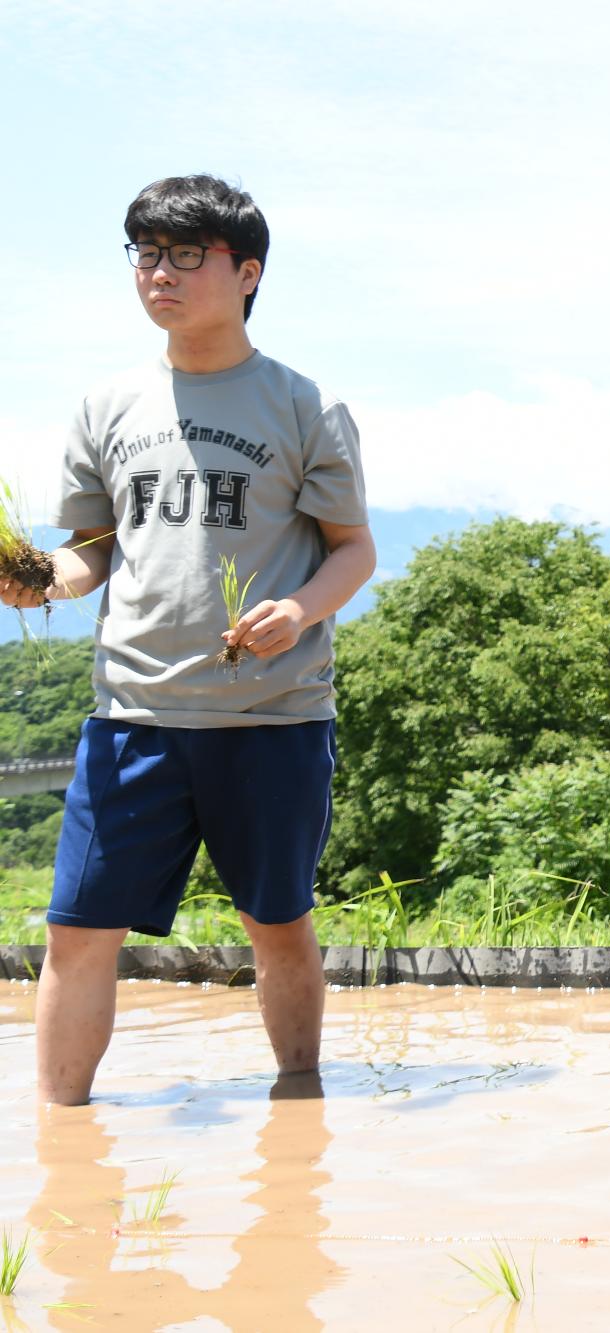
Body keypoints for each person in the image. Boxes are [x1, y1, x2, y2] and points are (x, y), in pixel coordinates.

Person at [0, 175, 375, 1104]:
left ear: (247, 273)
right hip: (133, 714)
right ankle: (61, 1132)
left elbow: (353, 549)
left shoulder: (305, 405)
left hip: (272, 716)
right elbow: (92, 548)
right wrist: (40, 580)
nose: (158, 273)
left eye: (185, 254)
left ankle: (299, 1114)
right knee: (77, 929)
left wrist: (299, 611)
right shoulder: (108, 405)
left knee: (275, 921)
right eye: (145, 253)